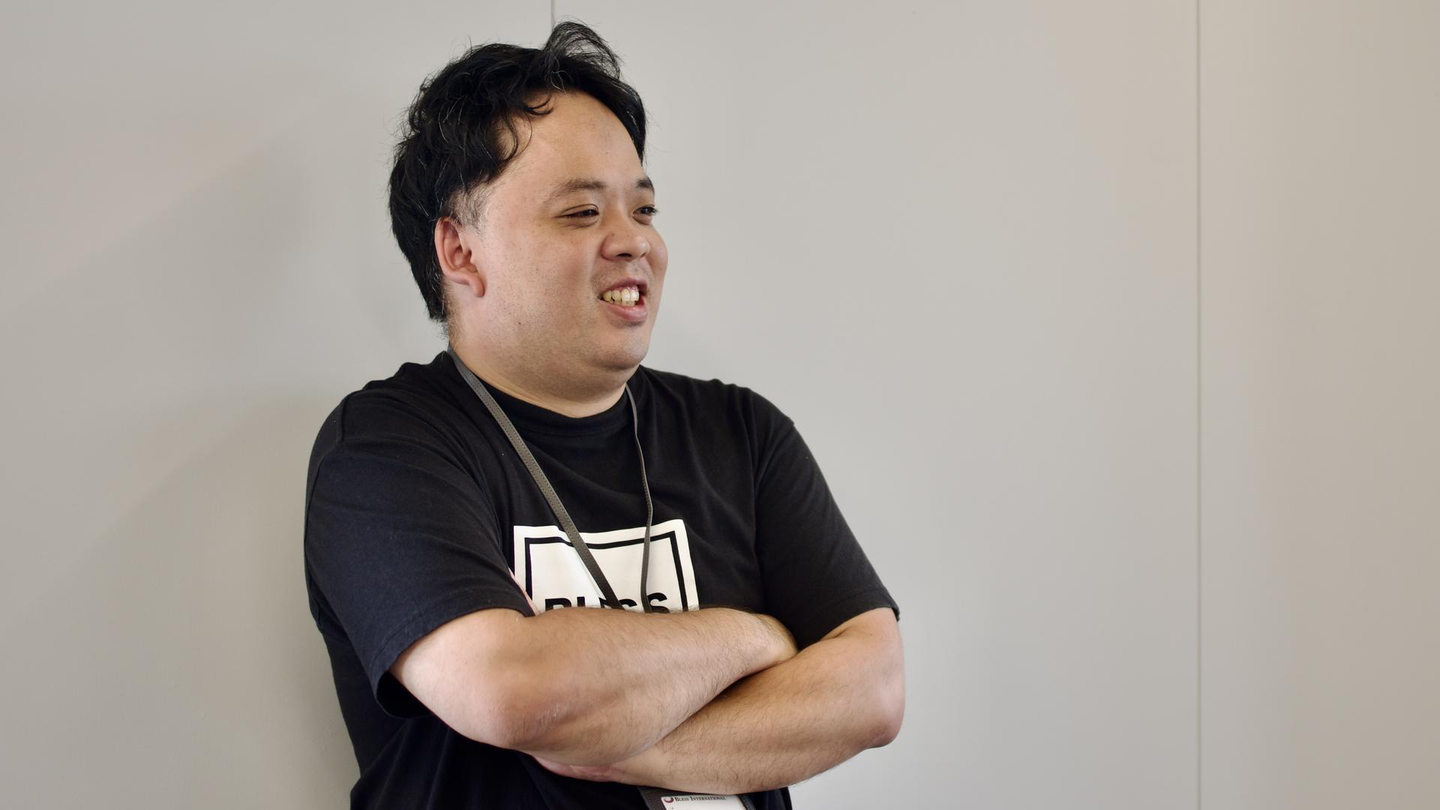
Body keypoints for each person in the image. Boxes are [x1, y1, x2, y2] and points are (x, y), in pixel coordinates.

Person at [303, 21, 904, 810]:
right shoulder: (386, 448)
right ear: (460, 252)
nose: (634, 243)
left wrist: (625, 745)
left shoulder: (740, 432)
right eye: (582, 212)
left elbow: (872, 688)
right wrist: (757, 635)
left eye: (644, 209)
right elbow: (511, 690)